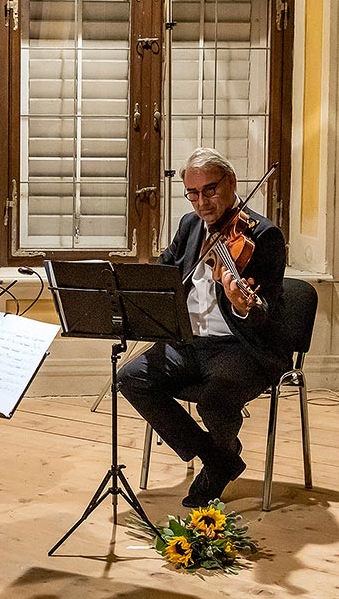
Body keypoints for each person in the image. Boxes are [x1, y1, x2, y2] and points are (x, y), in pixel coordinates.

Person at [118, 148, 291, 508]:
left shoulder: (264, 235)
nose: (202, 202)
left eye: (210, 190)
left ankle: (215, 467)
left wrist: (244, 305)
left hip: (241, 345)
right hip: (189, 342)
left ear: (231, 183)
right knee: (131, 377)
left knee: (215, 401)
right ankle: (219, 458)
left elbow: (267, 313)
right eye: (192, 194)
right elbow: (166, 272)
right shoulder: (189, 226)